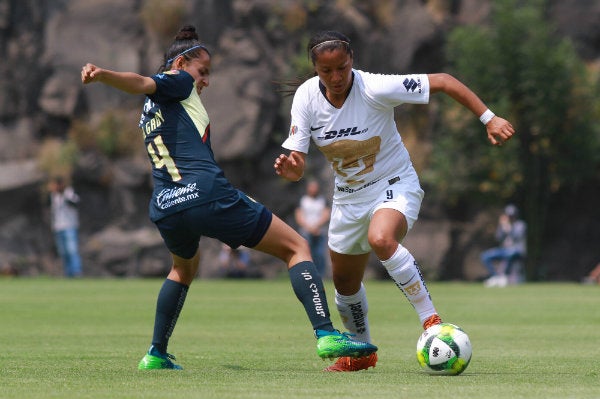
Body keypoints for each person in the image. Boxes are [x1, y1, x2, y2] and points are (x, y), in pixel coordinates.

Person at [81, 25, 376, 370]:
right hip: (206, 194)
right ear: (180, 64)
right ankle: (326, 334)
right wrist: (104, 75)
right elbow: (143, 82)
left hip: (165, 205)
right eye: (202, 71)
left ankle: (156, 353)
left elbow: (147, 93)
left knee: (182, 269)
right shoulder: (178, 81)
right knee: (296, 247)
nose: (204, 80)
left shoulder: (150, 111)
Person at [274, 31, 515, 372]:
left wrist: (489, 118)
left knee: (381, 239)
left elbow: (444, 81)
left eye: (341, 68)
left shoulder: (374, 87)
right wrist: (291, 169)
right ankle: (362, 354)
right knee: (345, 284)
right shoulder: (306, 98)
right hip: (348, 199)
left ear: (351, 60)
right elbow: (297, 167)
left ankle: (431, 321)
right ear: (316, 69)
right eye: (327, 72)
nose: (336, 77)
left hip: (394, 184)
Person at [481, 204, 527, 287]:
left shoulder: (520, 225)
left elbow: (517, 237)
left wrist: (509, 228)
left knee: (510, 254)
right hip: (504, 250)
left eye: (512, 216)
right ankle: (496, 277)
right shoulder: (503, 225)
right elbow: (498, 238)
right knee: (485, 256)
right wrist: (503, 226)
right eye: (509, 215)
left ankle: (504, 277)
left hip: (517, 251)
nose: (510, 217)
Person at [47, 176, 83, 277]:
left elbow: (75, 204)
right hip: (58, 227)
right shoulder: (53, 196)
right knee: (63, 252)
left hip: (70, 226)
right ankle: (68, 273)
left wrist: (64, 195)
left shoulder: (69, 193)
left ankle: (76, 272)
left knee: (72, 250)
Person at [295, 179, 330, 277]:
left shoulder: (322, 200)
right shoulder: (303, 200)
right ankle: (307, 274)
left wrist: (316, 226)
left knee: (319, 254)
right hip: (306, 231)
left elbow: (326, 214)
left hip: (320, 231)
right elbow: (299, 216)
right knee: (306, 254)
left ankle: (320, 276)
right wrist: (309, 227)